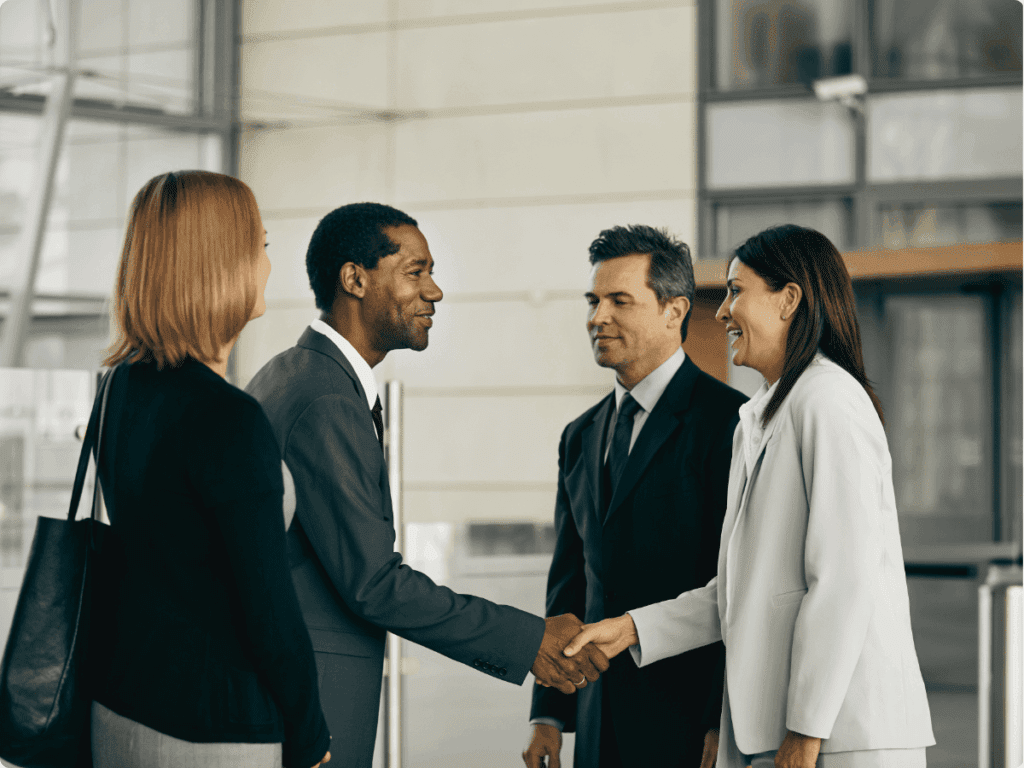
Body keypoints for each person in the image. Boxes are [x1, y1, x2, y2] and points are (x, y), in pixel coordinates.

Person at [245, 202, 610, 768]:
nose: (434, 292)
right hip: (314, 707)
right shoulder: (324, 398)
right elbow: (373, 583)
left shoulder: (294, 372)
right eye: (415, 272)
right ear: (354, 279)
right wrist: (527, 639)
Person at [564, 224, 935, 768]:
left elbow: (843, 581)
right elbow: (740, 592)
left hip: (841, 732)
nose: (721, 312)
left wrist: (805, 734)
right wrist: (633, 628)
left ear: (788, 300)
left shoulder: (829, 402)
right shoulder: (759, 416)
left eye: (737, 291)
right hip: (784, 730)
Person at [90, 171, 332, 768]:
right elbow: (267, 610)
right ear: (222, 262)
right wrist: (311, 737)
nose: (268, 266)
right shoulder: (228, 418)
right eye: (263, 247)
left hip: (118, 707)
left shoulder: (119, 388)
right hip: (212, 728)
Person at [522, 226, 747, 768]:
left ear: (674, 311)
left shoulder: (729, 424)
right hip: (598, 720)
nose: (597, 317)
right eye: (594, 300)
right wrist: (548, 714)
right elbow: (570, 579)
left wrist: (722, 719)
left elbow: (739, 585)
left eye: (619, 300)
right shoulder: (580, 435)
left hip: (689, 722)